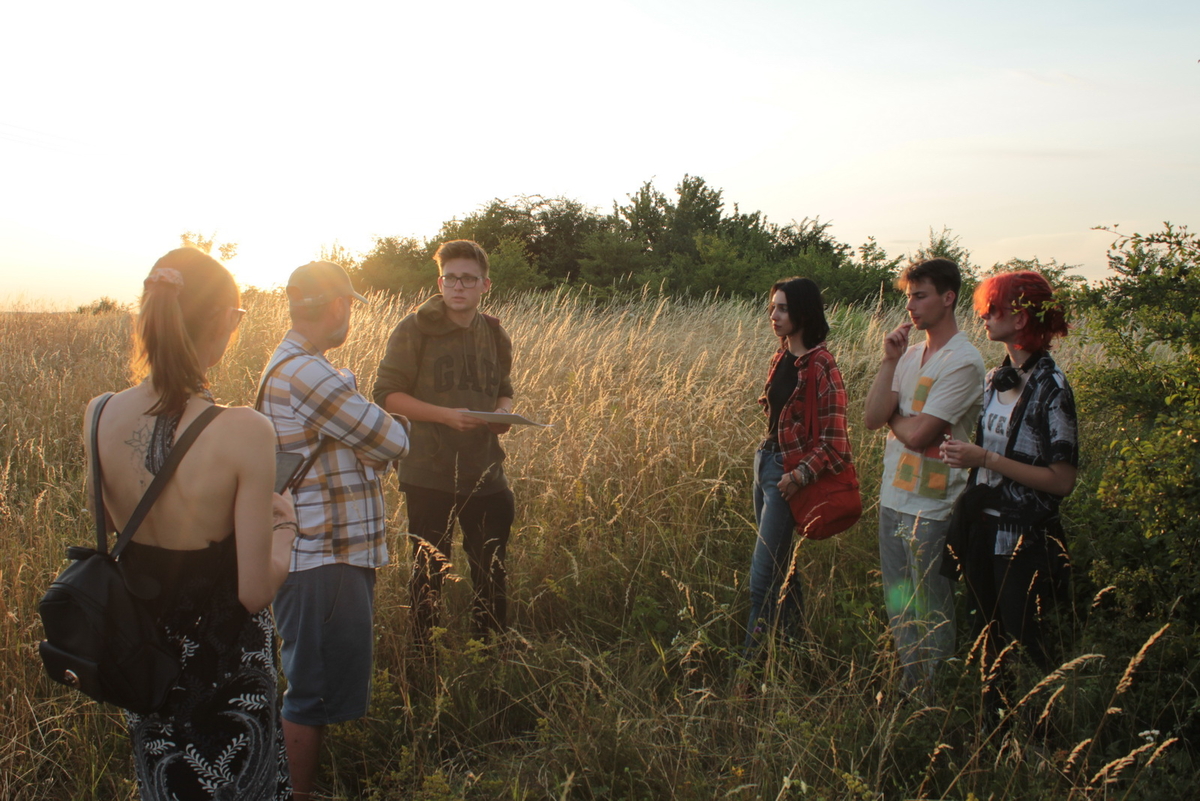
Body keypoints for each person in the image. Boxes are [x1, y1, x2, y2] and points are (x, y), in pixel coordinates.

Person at [84, 247, 296, 799]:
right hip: (227, 671)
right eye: (238, 316)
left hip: (145, 662)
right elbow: (253, 591)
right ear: (224, 318)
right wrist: (285, 531)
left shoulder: (99, 413)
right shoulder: (245, 430)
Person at [257, 261, 410, 801]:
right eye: (350, 307)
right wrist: (390, 430)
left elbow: (368, 440)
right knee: (310, 692)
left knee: (313, 683)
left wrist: (370, 436)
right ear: (340, 306)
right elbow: (392, 441)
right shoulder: (308, 372)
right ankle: (295, 794)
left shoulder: (299, 365)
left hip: (324, 551)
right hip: (322, 552)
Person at [373, 239, 516, 647]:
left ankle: (489, 649)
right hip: (429, 472)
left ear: (485, 285)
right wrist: (445, 415)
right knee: (428, 572)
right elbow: (386, 395)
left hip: (485, 472)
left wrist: (502, 414)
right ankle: (423, 657)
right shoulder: (415, 328)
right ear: (439, 283)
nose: (458, 286)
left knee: (491, 568)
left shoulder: (494, 333)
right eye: (450, 278)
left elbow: (504, 390)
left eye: (468, 279)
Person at [941, 270, 1076, 690]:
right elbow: (992, 458)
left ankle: (1036, 725)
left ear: (1020, 319)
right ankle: (994, 720)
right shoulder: (995, 380)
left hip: (1023, 541)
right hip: (983, 531)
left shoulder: (1052, 388)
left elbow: (1061, 481)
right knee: (987, 641)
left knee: (1025, 651)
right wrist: (969, 458)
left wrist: (986, 458)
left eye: (993, 308)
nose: (983, 315)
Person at [864, 258, 986, 693]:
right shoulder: (910, 355)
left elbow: (918, 436)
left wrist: (896, 417)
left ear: (948, 298)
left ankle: (934, 695)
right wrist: (888, 361)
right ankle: (910, 686)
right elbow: (872, 418)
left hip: (933, 505)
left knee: (931, 604)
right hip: (893, 496)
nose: (910, 306)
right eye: (908, 297)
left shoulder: (963, 361)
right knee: (899, 601)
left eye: (920, 296)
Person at [744, 277, 853, 654]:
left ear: (803, 313)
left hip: (787, 475)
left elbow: (836, 444)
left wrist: (798, 475)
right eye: (772, 307)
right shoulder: (782, 356)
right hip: (765, 463)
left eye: (783, 308)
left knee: (762, 582)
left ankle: (748, 669)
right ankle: (797, 651)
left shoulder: (822, 364)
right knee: (782, 570)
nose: (773, 315)